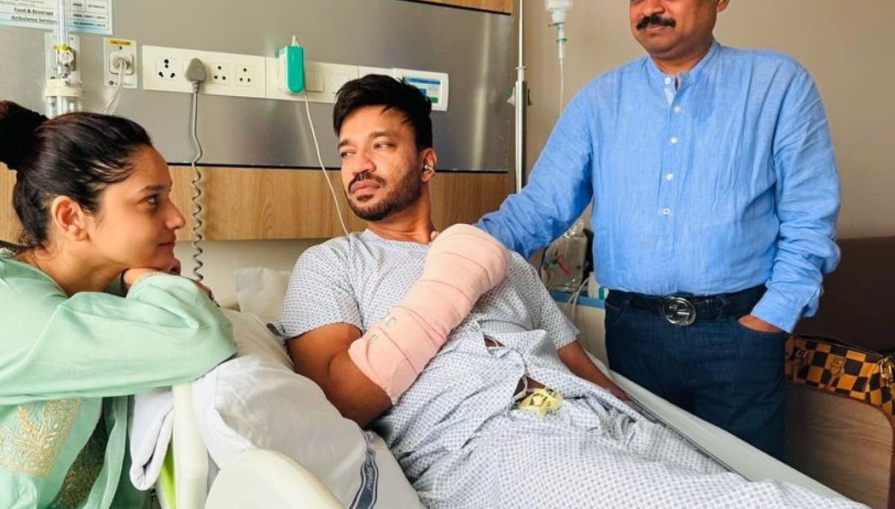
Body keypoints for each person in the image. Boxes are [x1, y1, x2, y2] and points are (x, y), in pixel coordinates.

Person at [278, 75, 858, 508]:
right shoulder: (331, 265)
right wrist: (454, 276)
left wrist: (650, 429)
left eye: (380, 145)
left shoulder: (501, 261)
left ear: (426, 163)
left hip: (589, 416)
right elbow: (342, 400)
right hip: (490, 441)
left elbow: (580, 365)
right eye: (347, 152)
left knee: (758, 489)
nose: (359, 165)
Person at [477, 0, 840, 459]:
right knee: (648, 480)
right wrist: (454, 251)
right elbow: (540, 208)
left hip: (738, 337)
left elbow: (809, 220)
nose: (650, 8)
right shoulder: (599, 101)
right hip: (634, 335)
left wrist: (768, 322)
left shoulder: (777, 86)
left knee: (748, 483)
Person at [0, 102, 236, 508]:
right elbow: (198, 335)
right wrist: (144, 279)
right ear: (71, 216)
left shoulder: (87, 297)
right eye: (152, 201)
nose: (177, 218)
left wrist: (135, 281)